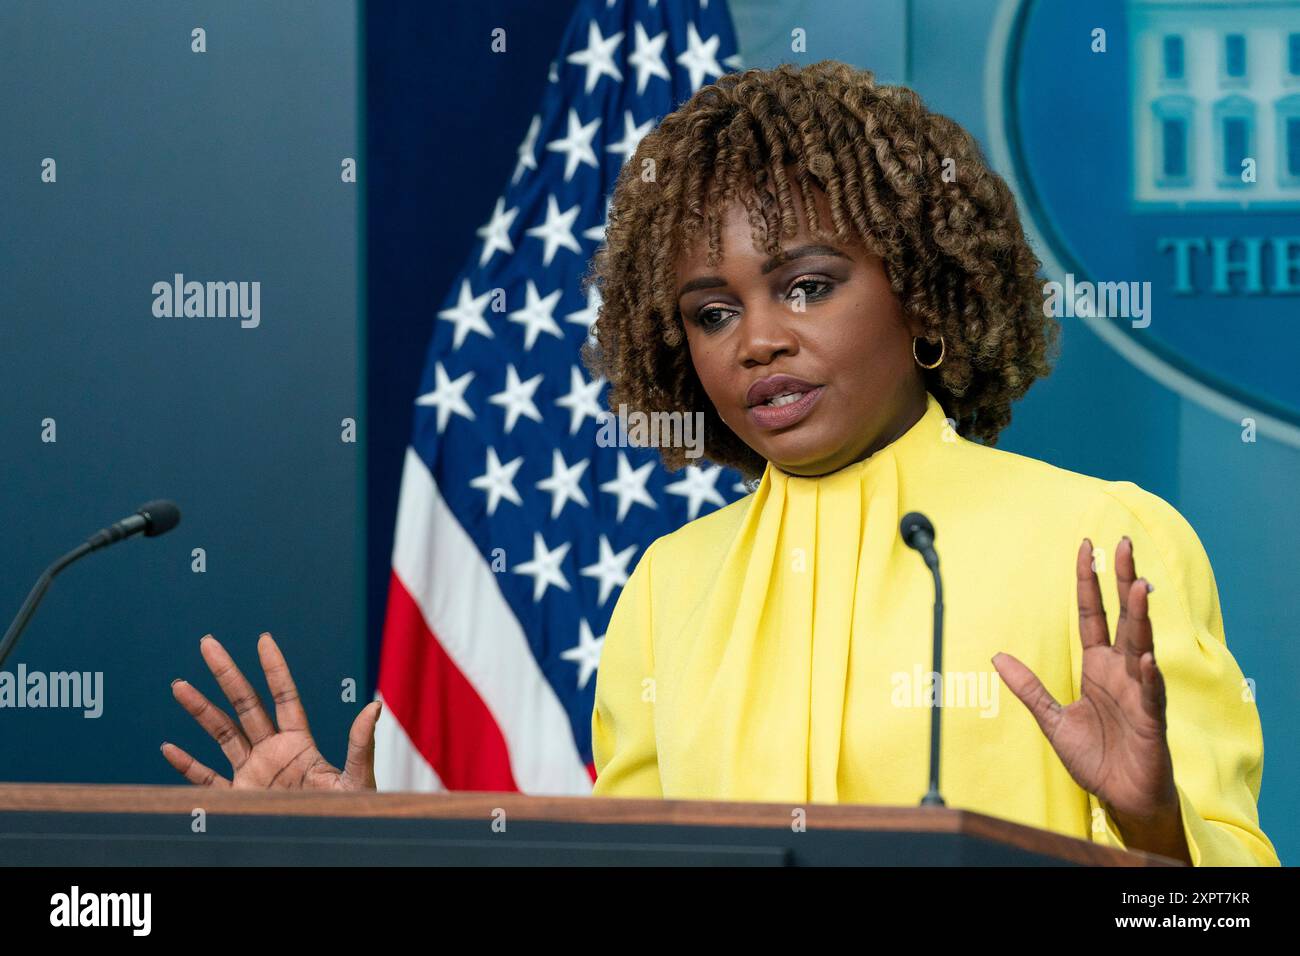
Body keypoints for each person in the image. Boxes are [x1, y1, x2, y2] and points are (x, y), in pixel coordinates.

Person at [161, 61, 1280, 867]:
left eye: (805, 285)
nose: (754, 341)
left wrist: (1153, 828)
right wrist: (357, 854)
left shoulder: (1099, 545)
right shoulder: (668, 588)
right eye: (709, 311)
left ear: (919, 289)